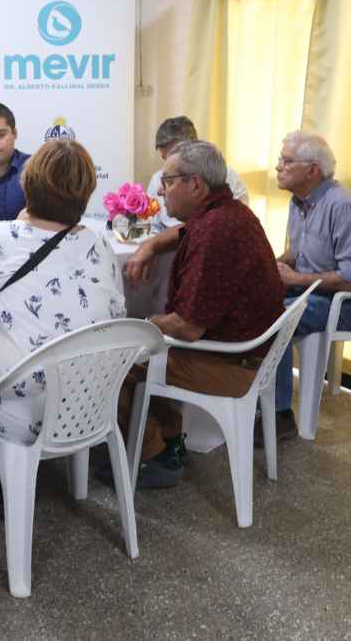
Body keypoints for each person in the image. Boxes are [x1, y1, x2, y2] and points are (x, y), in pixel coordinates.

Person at [0, 138, 125, 519]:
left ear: (28, 185)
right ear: (88, 191)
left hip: (12, 409)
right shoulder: (101, 243)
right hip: (88, 399)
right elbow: (115, 312)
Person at [108, 140, 283, 489]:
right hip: (251, 354)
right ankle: (167, 441)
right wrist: (150, 244)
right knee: (144, 346)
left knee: (118, 358)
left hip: (231, 366)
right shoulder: (227, 213)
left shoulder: (214, 233)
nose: (161, 188)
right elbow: (183, 231)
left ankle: (153, 456)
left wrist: (138, 327)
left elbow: (187, 328)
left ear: (196, 185)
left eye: (169, 181)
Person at [267, 130, 351, 441]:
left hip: (346, 304)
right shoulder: (299, 201)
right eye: (280, 160)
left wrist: (295, 279)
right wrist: (271, 266)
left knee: (277, 317)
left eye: (287, 161)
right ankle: (248, 396)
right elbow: (298, 253)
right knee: (250, 301)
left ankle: (279, 415)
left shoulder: (344, 207)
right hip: (310, 292)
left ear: (312, 170)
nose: (278, 167)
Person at [146, 116, 248, 233]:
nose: (160, 191)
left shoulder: (227, 177)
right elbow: (152, 225)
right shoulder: (157, 179)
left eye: (175, 154)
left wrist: (158, 243)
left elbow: (227, 224)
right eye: (165, 158)